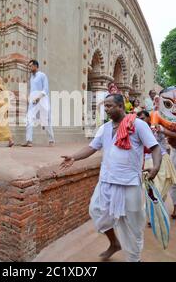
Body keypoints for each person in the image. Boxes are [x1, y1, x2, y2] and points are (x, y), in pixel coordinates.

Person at [59, 94, 161, 262]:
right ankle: (114, 243)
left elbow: (155, 147)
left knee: (133, 225)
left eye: (109, 106)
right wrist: (73, 157)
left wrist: (156, 167)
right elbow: (92, 147)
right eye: (105, 106)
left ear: (121, 106)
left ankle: (134, 259)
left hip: (129, 183)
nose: (106, 109)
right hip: (106, 181)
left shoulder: (138, 125)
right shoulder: (105, 128)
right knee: (96, 211)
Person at [138, 110, 176, 199]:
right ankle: (154, 211)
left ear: (149, 118)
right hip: (148, 160)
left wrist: (162, 130)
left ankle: (159, 211)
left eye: (143, 118)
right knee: (151, 188)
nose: (141, 121)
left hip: (163, 159)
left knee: (163, 186)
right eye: (139, 119)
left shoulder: (158, 126)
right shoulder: (138, 129)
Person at [22, 60, 55, 147]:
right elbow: (32, 90)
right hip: (33, 101)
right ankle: (29, 141)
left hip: (43, 99)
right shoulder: (31, 77)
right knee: (29, 119)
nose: (29, 68)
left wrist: (39, 97)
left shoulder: (42, 75)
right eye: (29, 66)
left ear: (36, 66)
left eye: (31, 66)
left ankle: (51, 140)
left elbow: (46, 89)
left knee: (46, 120)